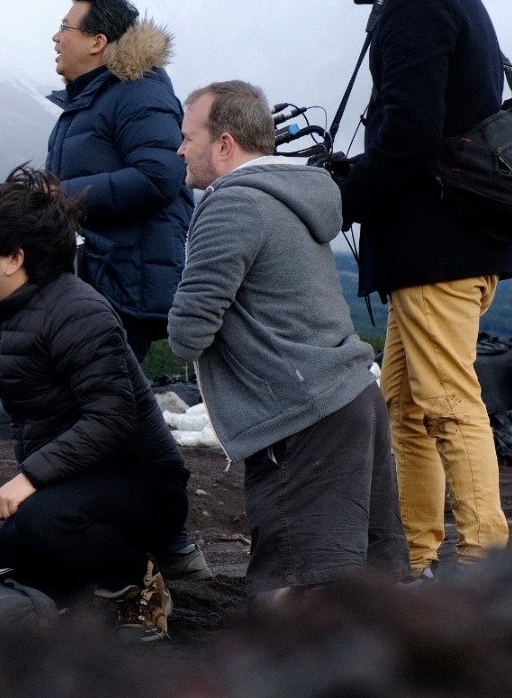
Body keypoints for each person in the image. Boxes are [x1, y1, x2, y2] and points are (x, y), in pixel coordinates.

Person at [0, 166, 190, 638]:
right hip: (68, 488)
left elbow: (111, 417)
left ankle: (137, 583)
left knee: (44, 523)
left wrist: (30, 477)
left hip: (141, 487)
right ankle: (77, 598)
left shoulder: (79, 312)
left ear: (13, 259)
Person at [328, 0, 512, 577]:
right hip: (440, 250)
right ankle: (418, 560)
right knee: (405, 407)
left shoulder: (417, 1)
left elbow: (408, 134)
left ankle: (484, 570)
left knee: (446, 403)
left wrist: (341, 200)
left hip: (439, 252)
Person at [166, 81, 408, 598]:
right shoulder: (294, 195)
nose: (179, 150)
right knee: (374, 586)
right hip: (352, 397)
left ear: (225, 144)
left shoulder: (232, 205)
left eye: (188, 138)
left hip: (301, 416)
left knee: (298, 592)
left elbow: (188, 333)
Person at [44, 0, 210, 581]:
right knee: (113, 414)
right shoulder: (86, 103)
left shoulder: (139, 94)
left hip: (125, 281)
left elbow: (162, 177)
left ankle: (157, 549)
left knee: (105, 416)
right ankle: (166, 548)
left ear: (98, 41)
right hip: (95, 278)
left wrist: (61, 196)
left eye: (66, 26)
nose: (55, 36)